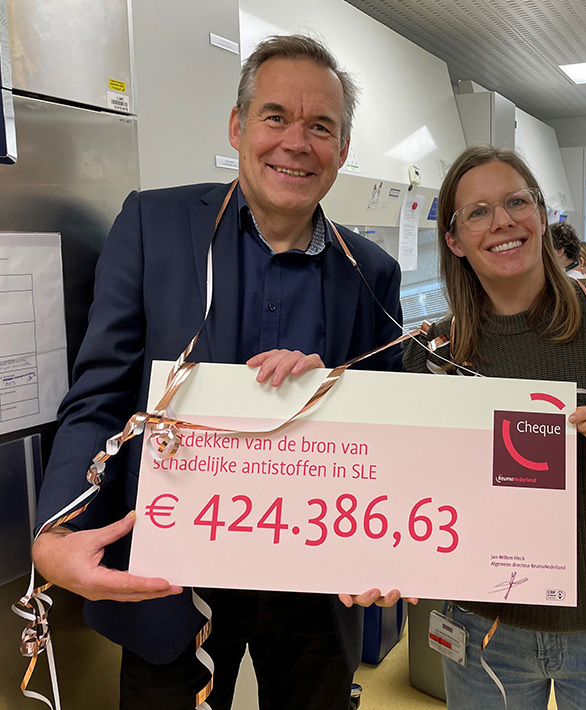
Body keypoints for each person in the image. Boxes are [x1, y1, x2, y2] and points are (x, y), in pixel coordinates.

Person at [32, 34, 404, 710]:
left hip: (315, 591)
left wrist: (336, 392)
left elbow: (390, 428)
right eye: (275, 117)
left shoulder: (371, 272)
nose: (296, 142)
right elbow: (100, 397)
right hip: (173, 585)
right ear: (238, 126)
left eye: (321, 127)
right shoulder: (154, 226)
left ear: (343, 149)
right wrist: (55, 529)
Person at [403, 145, 586, 709]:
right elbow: (409, 484)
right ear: (454, 241)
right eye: (477, 212)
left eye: (516, 202)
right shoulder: (438, 353)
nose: (502, 221)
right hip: (485, 627)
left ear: (542, 216)